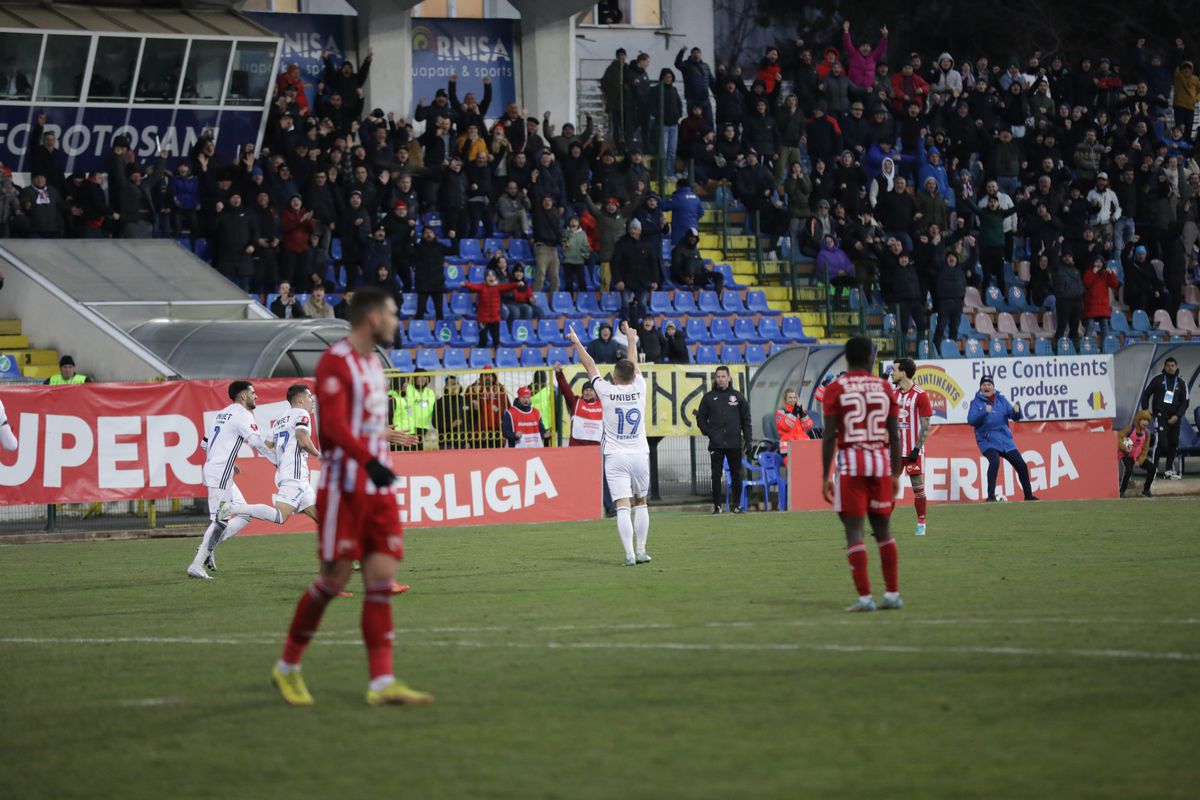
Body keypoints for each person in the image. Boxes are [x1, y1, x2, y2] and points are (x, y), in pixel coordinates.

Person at [272, 286, 432, 707]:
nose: (398, 322)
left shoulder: (373, 365)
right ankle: (287, 667)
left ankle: (382, 682)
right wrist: (369, 458)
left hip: (376, 486)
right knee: (333, 581)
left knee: (380, 580)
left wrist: (386, 442)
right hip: (346, 486)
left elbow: (363, 426)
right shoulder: (335, 362)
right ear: (373, 319)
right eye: (393, 314)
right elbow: (335, 430)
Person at [820, 336, 903, 612]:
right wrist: (895, 473)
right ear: (871, 358)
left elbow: (830, 435)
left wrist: (825, 475)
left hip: (851, 465)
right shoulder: (884, 387)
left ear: (847, 358)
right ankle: (892, 594)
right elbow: (894, 434)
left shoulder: (836, 388)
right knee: (883, 530)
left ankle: (866, 598)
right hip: (880, 465)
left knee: (854, 531)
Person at [567, 326, 651, 566]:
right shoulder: (640, 387)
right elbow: (633, 363)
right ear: (634, 375)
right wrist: (632, 339)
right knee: (641, 501)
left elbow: (590, 364)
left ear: (614, 376)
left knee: (622, 506)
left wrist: (576, 341)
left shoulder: (605, 390)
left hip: (615, 456)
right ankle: (642, 550)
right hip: (639, 454)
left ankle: (629, 555)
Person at [186, 381, 277, 580]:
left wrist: (226, 459)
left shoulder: (220, 414)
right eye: (253, 393)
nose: (257, 396)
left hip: (220, 471)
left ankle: (207, 550)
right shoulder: (243, 414)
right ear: (243, 396)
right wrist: (277, 461)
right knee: (220, 520)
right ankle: (197, 564)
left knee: (243, 515)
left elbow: (204, 445)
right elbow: (255, 442)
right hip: (220, 473)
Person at [217, 383, 321, 530]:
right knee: (280, 516)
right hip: (295, 475)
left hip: (290, 474)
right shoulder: (301, 414)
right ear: (300, 400)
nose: (313, 400)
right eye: (310, 397)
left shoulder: (280, 421)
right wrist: (319, 455)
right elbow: (302, 438)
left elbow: (266, 446)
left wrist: (281, 460)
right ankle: (232, 508)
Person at [967, 375, 1037, 502]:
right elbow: (971, 421)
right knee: (994, 461)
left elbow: (1015, 417)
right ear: (980, 388)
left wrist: (1017, 411)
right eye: (984, 385)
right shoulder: (976, 402)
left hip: (1005, 440)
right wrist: (984, 412)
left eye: (989, 384)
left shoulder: (1002, 399)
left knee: (1021, 465)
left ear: (993, 387)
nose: (986, 387)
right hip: (987, 441)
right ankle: (991, 496)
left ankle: (1029, 496)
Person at [696, 365, 752, 514]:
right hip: (716, 443)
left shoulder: (738, 397)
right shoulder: (708, 397)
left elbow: (746, 420)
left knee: (736, 474)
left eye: (723, 376)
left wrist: (748, 440)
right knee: (716, 475)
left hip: (734, 442)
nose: (720, 379)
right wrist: (709, 432)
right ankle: (717, 506)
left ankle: (736, 505)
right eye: (718, 377)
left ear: (729, 378)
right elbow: (700, 418)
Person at [890, 358, 933, 536]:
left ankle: (921, 523)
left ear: (903, 373)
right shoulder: (893, 394)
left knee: (917, 486)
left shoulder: (920, 395)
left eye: (894, 370)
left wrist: (917, 448)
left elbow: (925, 425)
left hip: (913, 450)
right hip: (896, 452)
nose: (891, 373)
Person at [1140, 357, 1189, 485]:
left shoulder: (1182, 382)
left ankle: (1169, 470)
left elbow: (1185, 402)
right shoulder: (1158, 380)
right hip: (1160, 416)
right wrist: (1146, 409)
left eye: (1173, 365)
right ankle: (1153, 469)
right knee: (1161, 442)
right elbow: (1145, 394)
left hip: (1175, 418)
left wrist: (1177, 416)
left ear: (1176, 367)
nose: (1170, 368)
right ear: (1165, 367)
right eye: (1168, 365)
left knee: (1173, 443)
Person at [464, 269, 520, 348]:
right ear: (485, 278)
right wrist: (465, 284)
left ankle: (498, 357)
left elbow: (508, 286)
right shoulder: (481, 287)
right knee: (483, 341)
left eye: (492, 275)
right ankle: (480, 356)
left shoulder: (498, 287)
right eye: (488, 276)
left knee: (496, 342)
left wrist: (516, 284)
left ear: (495, 278)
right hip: (483, 319)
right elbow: (473, 286)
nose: (491, 277)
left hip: (495, 319)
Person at [1117, 410, 1153, 497]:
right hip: (1126, 456)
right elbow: (1119, 436)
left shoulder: (1147, 434)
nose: (1145, 422)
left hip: (1138, 457)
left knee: (1152, 468)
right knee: (1129, 471)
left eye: (1147, 421)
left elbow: (1145, 450)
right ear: (1138, 420)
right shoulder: (1130, 428)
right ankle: (1121, 491)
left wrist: (1139, 461)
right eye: (1143, 420)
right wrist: (1125, 448)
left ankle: (1146, 490)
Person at [774, 388, 813, 458]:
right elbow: (786, 427)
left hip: (803, 444)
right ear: (785, 399)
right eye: (790, 397)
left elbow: (808, 426)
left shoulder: (800, 410)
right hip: (788, 446)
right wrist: (793, 415)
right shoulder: (781, 412)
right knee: (793, 468)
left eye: (794, 397)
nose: (793, 399)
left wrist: (803, 416)